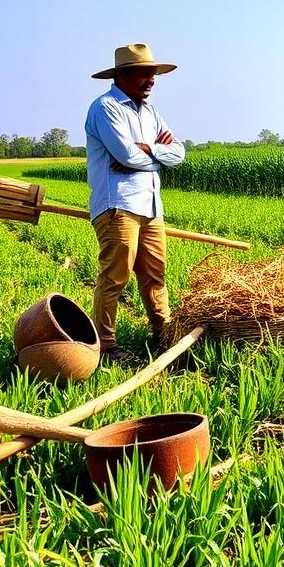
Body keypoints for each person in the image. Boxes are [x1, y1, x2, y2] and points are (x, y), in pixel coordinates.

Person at [85, 43, 185, 363]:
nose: (151, 79)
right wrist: (156, 153)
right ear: (122, 75)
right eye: (144, 73)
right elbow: (125, 155)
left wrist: (148, 152)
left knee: (155, 275)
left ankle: (163, 335)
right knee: (115, 277)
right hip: (119, 205)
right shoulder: (105, 108)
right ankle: (105, 345)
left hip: (151, 205)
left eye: (153, 73)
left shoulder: (151, 112)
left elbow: (179, 154)